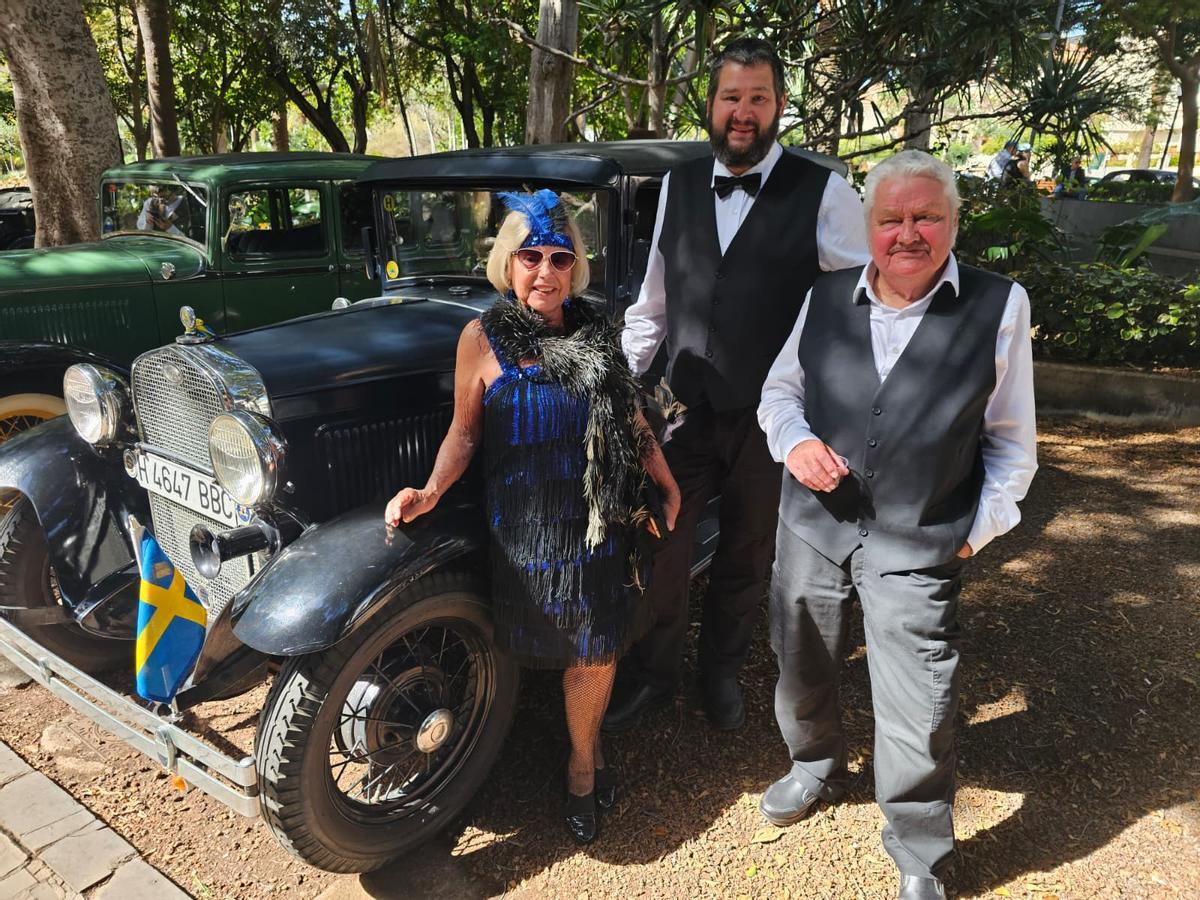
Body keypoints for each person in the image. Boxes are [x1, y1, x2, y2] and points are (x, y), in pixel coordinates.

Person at [756, 150, 1037, 899]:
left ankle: (918, 849)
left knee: (920, 696)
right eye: (892, 219)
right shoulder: (822, 296)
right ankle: (814, 763)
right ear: (870, 226)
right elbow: (778, 394)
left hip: (922, 537)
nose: (908, 233)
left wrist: (974, 532)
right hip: (813, 525)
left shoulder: (999, 304)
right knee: (802, 657)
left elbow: (1012, 442)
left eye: (926, 217)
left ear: (952, 222)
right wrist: (797, 442)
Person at [385, 190, 680, 845]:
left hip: (597, 519)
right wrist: (430, 491)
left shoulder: (598, 329)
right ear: (508, 264)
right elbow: (463, 434)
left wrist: (663, 477)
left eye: (560, 257)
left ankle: (581, 763)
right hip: (526, 531)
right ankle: (584, 742)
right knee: (555, 647)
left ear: (575, 267)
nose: (545, 271)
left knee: (596, 653)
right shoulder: (480, 338)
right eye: (531, 257)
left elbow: (629, 415)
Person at [609, 36, 868, 733]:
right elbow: (653, 305)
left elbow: (861, 309)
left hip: (772, 416)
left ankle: (718, 673)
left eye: (758, 98)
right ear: (712, 106)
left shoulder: (827, 193)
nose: (744, 112)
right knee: (664, 544)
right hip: (684, 408)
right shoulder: (677, 186)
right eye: (732, 98)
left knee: (747, 553)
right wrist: (613, 380)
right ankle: (655, 674)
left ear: (780, 105)